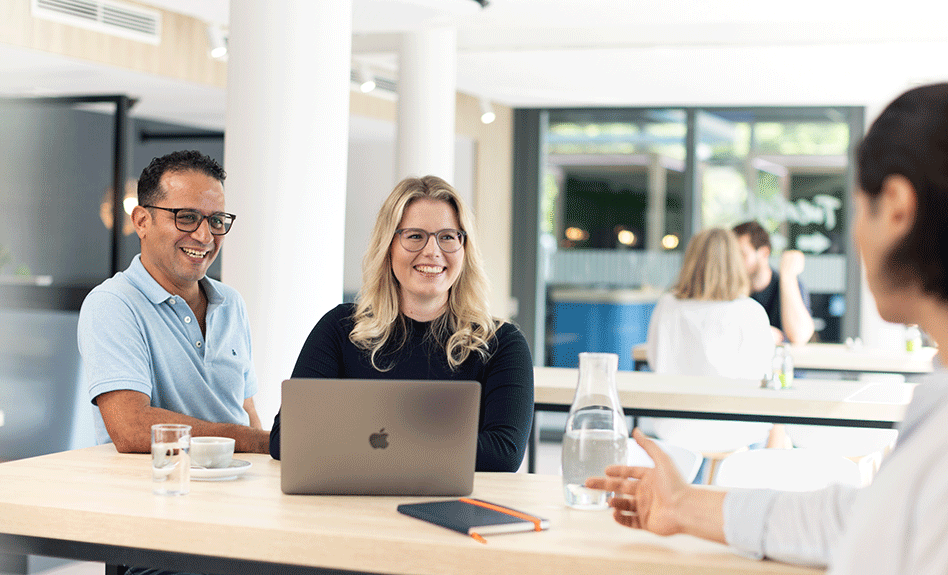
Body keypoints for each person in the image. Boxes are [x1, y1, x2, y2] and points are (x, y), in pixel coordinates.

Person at [586, 83, 948, 574]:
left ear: (897, 207)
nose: (857, 235)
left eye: (858, 210)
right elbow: (855, 521)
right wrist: (681, 505)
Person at [269, 175, 533, 471]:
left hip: (454, 508)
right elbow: (285, 439)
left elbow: (503, 453)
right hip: (354, 507)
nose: (433, 251)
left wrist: (372, 439)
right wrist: (438, 441)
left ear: (464, 249)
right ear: (389, 246)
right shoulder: (340, 330)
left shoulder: (501, 344)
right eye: (415, 236)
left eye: (447, 236)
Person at [79, 150, 268, 454]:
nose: (205, 236)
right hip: (155, 492)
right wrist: (254, 441)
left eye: (216, 220)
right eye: (188, 218)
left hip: (232, 489)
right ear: (142, 221)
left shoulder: (231, 303)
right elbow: (131, 427)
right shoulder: (112, 304)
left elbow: (246, 412)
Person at [643, 227, 778, 458]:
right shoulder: (750, 312)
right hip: (735, 430)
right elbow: (762, 376)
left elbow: (654, 361)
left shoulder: (666, 306)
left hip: (674, 428)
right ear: (735, 264)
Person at [732, 220, 815, 344]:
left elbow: (799, 336)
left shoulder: (788, 283)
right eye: (732, 256)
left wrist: (787, 277)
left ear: (764, 253)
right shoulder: (730, 289)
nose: (735, 263)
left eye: (742, 254)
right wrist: (762, 334)